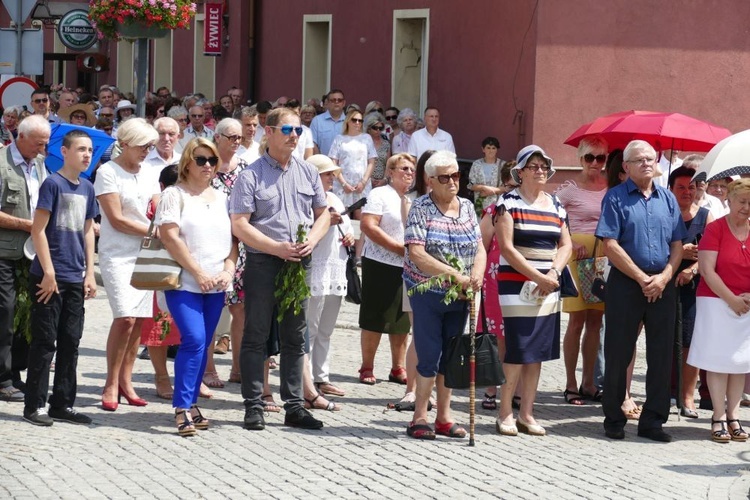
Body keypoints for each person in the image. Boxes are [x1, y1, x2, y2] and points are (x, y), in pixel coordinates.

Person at [230, 107, 331, 431]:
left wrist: (312, 241)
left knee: (295, 334)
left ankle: (294, 405)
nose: (293, 137)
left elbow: (324, 214)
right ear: (268, 132)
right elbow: (240, 225)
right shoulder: (251, 175)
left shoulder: (308, 172)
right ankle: (254, 404)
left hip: (299, 261)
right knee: (256, 333)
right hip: (264, 261)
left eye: (298, 131)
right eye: (287, 130)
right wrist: (275, 247)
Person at [596, 140, 686, 442]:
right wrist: (640, 278)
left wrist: (664, 277)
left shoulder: (668, 199)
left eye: (651, 158)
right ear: (627, 167)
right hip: (625, 283)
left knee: (661, 355)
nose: (647, 163)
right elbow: (610, 245)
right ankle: (614, 418)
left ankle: (653, 421)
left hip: (663, 283)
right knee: (618, 351)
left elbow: (677, 244)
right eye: (640, 159)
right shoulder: (615, 198)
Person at [155, 138, 237, 436]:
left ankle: (190, 403)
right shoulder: (174, 196)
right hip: (184, 281)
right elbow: (170, 237)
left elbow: (234, 238)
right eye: (201, 159)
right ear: (187, 161)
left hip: (217, 284)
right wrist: (199, 272)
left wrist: (229, 269)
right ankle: (181, 407)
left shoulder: (223, 196)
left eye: (212, 161)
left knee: (203, 345)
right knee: (193, 339)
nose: (207, 166)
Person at [403, 150, 486, 439]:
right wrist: (454, 276)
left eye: (456, 175)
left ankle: (444, 417)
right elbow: (416, 253)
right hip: (427, 291)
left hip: (460, 295)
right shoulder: (420, 208)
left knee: (451, 355)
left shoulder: (466, 206)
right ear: (430, 181)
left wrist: (476, 274)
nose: (453, 182)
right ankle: (419, 417)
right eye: (445, 177)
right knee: (429, 353)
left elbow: (479, 247)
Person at [494, 145, 572, 437]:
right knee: (517, 348)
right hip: (516, 285)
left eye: (544, 166)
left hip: (548, 285)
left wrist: (552, 273)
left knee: (537, 351)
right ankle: (505, 412)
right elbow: (507, 248)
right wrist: (536, 276)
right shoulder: (508, 202)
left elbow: (565, 244)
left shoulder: (555, 204)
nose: (540, 171)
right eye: (534, 166)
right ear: (521, 171)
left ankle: (527, 413)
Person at [22, 130, 98, 426]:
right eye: (81, 149)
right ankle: (35, 404)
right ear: (65, 152)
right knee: (45, 342)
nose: (87, 155)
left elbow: (88, 230)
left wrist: (90, 272)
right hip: (48, 277)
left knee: (71, 341)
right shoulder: (52, 184)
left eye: (90, 150)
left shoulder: (88, 188)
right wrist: (49, 271)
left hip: (75, 276)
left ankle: (62, 403)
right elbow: (37, 229)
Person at [94, 118, 160, 411]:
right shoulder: (107, 172)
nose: (148, 150)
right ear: (127, 143)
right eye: (145, 145)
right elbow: (117, 219)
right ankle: (110, 382)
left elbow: (157, 206)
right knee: (125, 317)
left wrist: (165, 221)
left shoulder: (148, 172)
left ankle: (126, 380)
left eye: (151, 146)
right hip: (117, 252)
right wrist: (152, 230)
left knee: (141, 320)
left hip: (146, 252)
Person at [687, 178, 750, 443]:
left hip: (746, 304)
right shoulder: (715, 229)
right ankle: (718, 416)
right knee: (718, 361)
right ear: (729, 201)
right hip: (715, 301)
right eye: (742, 202)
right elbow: (707, 270)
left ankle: (734, 416)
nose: (746, 207)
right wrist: (731, 299)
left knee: (738, 362)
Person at [554, 136, 608, 405]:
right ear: (580, 159)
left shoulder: (610, 188)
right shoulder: (569, 191)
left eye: (601, 158)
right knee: (576, 322)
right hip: (577, 257)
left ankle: (589, 381)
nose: (595, 163)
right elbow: (551, 217)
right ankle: (570, 382)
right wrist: (569, 240)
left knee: (596, 324)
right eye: (590, 157)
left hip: (602, 258)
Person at [0, 115, 51, 403]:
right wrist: (28, 225)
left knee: (26, 315)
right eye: (38, 143)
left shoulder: (40, 164)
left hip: (33, 251)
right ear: (21, 137)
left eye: (45, 143)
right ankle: (2, 377)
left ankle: (16, 372)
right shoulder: (1, 163)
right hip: (5, 250)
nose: (42, 148)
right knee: (5, 313)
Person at [358, 153, 415, 385]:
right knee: (375, 317)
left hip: (406, 266)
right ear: (390, 172)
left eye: (412, 169)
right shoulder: (379, 194)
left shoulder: (414, 199)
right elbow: (368, 226)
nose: (409, 173)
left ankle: (398, 368)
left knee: (401, 321)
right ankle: (367, 367)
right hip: (379, 263)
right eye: (404, 168)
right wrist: (398, 248)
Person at [306, 154, 354, 398]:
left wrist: (349, 235)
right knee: (310, 328)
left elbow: (348, 226)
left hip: (335, 266)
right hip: (315, 267)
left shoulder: (334, 197)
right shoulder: (305, 198)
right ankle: (306, 381)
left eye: (332, 174)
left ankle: (322, 377)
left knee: (326, 328)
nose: (332, 178)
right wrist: (326, 221)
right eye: (327, 174)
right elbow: (305, 231)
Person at [669, 166, 714, 418]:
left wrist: (693, 268)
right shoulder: (665, 214)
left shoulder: (705, 216)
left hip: (693, 286)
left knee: (689, 342)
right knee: (665, 340)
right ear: (671, 189)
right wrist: (678, 255)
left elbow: (710, 254)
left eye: (691, 187)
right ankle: (666, 392)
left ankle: (687, 396)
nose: (687, 192)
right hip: (667, 281)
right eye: (681, 187)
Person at [329, 109, 377, 208]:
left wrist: (363, 182)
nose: (357, 123)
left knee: (360, 217)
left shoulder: (367, 138)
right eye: (354, 120)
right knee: (342, 217)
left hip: (362, 185)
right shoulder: (339, 138)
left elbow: (372, 162)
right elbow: (333, 163)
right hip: (342, 184)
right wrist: (343, 183)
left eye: (360, 120)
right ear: (348, 121)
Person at [468, 136, 506, 211]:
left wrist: (491, 191)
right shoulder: (476, 164)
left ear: (497, 150)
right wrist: (483, 188)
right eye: (488, 148)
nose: (490, 151)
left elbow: (507, 187)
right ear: (483, 149)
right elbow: (471, 185)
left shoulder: (502, 165)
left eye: (493, 148)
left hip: (497, 205)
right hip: (480, 205)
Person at [310, 88, 346, 155]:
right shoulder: (317, 121)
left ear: (344, 103)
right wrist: (321, 162)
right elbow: (313, 144)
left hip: (345, 164)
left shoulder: (350, 122)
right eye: (333, 100)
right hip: (323, 163)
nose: (336, 102)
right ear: (328, 103)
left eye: (339, 100)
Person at [364, 112, 391, 188]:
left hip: (382, 183)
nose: (378, 130)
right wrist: (368, 179)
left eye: (381, 128)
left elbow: (388, 164)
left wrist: (384, 180)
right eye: (375, 128)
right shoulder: (363, 143)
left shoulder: (386, 144)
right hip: (365, 181)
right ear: (369, 128)